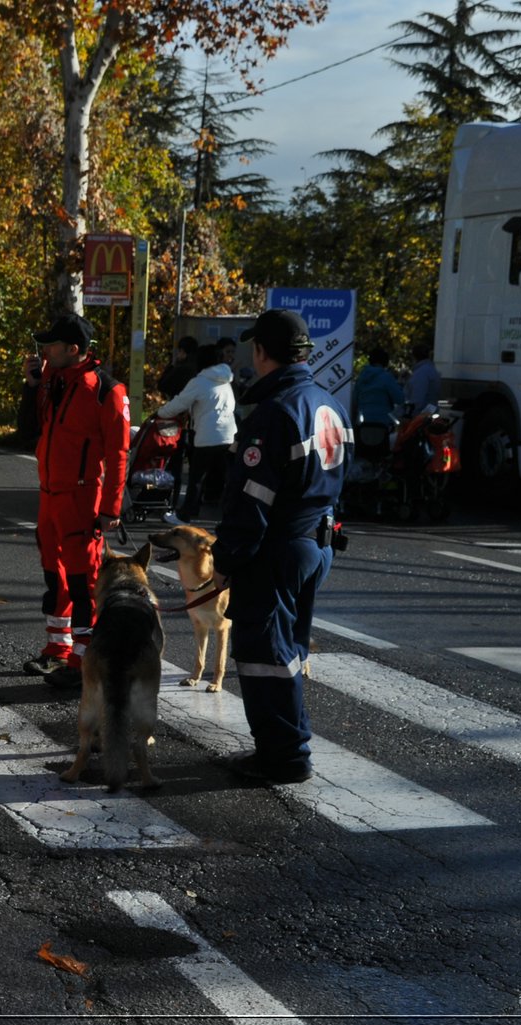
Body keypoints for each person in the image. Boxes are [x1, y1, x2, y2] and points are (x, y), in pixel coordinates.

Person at [211, 309, 351, 784]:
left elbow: (252, 501)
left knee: (265, 655)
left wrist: (227, 560)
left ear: (262, 352)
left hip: (278, 549)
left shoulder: (274, 414)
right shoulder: (328, 402)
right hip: (317, 543)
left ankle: (284, 756)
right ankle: (287, 746)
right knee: (287, 651)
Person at [17, 311, 130, 690]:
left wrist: (111, 508)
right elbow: (30, 430)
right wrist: (33, 385)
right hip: (49, 496)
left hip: (82, 498)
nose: (43, 350)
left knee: (83, 582)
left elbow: (118, 453)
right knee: (55, 577)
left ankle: (84, 661)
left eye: (50, 345)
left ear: (73, 349)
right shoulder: (52, 381)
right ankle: (57, 648)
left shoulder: (106, 390)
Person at [158, 338, 237, 522]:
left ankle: (185, 515)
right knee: (226, 479)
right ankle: (232, 516)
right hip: (229, 435)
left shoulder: (200, 381)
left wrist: (159, 413)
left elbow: (179, 403)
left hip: (208, 437)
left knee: (196, 478)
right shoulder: (225, 379)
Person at [353, 357, 404, 426]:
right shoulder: (386, 377)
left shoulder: (361, 378)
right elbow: (399, 399)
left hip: (363, 421)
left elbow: (354, 400)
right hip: (382, 421)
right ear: (386, 363)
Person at [405, 343, 441, 411]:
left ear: (414, 356)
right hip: (430, 410)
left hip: (421, 415)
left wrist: (409, 414)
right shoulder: (431, 369)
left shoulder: (421, 373)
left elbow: (417, 398)